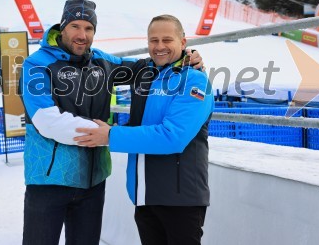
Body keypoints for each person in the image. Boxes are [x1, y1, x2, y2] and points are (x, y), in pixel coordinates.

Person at [20, 0, 203, 245]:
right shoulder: (36, 64)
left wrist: (188, 58)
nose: (82, 35)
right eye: (75, 26)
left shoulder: (101, 62)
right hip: (49, 179)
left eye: (89, 28)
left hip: (93, 180)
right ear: (62, 27)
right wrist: (105, 135)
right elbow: (47, 121)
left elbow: (149, 66)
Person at [75, 14, 214, 245]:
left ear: (183, 42)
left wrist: (110, 135)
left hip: (180, 200)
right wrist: (70, 42)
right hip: (145, 196)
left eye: (167, 40)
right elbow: (106, 61)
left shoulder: (195, 81)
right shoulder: (145, 74)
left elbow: (172, 137)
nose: (159, 47)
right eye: (153, 40)